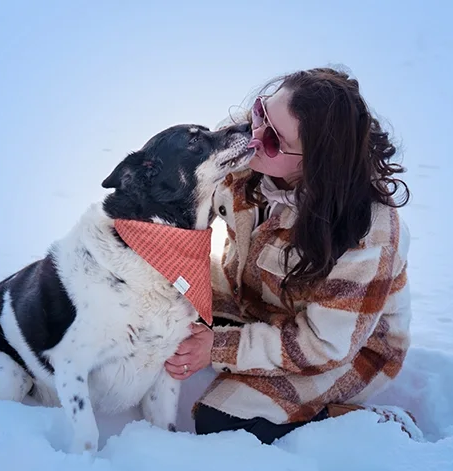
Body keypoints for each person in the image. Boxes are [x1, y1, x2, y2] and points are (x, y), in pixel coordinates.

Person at [164, 67, 418, 444]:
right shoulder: (246, 148)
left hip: (343, 348)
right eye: (260, 112)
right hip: (250, 305)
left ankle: (373, 426)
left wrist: (217, 347)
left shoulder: (365, 231)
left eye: (273, 139)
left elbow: (324, 345)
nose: (253, 136)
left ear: (317, 163)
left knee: (222, 420)